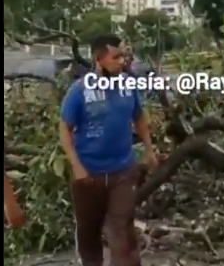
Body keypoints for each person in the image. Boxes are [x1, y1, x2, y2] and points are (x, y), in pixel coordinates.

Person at [59, 33, 158, 266]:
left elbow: (140, 118)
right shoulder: (79, 90)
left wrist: (149, 149)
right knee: (88, 232)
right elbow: (65, 129)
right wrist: (76, 165)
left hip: (122, 172)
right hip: (88, 175)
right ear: (98, 58)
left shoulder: (128, 85)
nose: (122, 61)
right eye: (116, 56)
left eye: (123, 55)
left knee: (122, 229)